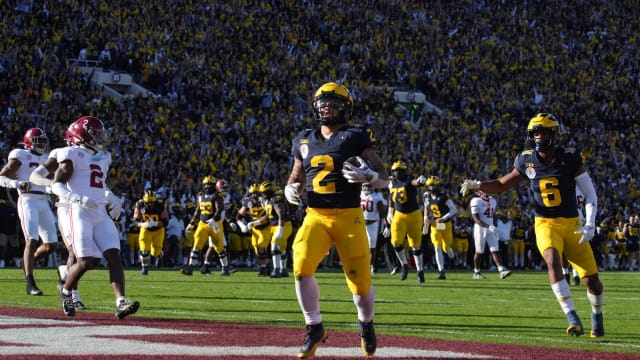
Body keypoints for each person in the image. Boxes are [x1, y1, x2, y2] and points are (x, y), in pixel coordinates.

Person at [460, 113, 604, 337]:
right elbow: (501, 184)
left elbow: (590, 193)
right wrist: (479, 184)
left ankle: (597, 314)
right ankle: (572, 317)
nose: (539, 136)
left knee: (592, 281)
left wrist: (591, 223)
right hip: (544, 222)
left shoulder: (570, 157)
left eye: (544, 132)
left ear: (554, 134)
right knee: (552, 260)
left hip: (572, 224)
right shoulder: (526, 159)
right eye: (535, 132)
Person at [284, 82, 389, 358]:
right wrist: (290, 188)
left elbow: (385, 178)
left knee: (360, 284)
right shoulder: (304, 139)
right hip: (315, 215)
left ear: (346, 109)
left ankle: (366, 325)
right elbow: (296, 175)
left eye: (334, 103)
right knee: (301, 266)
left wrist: (371, 178)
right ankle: (314, 327)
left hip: (348, 215)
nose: (328, 108)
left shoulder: (355, 136)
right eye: (324, 103)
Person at [50, 115, 139, 318]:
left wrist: (112, 197)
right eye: (96, 134)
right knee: (86, 260)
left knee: (114, 255)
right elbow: (56, 185)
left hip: (99, 211)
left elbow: (99, 185)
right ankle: (66, 291)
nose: (101, 137)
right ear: (84, 135)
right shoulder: (71, 153)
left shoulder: (104, 157)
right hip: (79, 211)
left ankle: (120, 302)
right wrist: (77, 198)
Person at [0, 127, 58, 296]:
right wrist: (16, 184)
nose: (41, 145)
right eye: (38, 141)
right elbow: (2, 177)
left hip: (44, 200)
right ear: (28, 142)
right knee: (31, 240)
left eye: (43, 142)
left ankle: (25, 261)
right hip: (27, 200)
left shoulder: (47, 158)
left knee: (51, 245)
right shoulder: (21, 155)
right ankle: (30, 282)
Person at [386, 160, 427, 282]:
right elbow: (391, 197)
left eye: (400, 170)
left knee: (415, 245)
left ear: (404, 171)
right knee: (395, 242)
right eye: (395, 171)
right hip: (399, 214)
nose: (397, 173)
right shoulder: (391, 182)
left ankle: (420, 271)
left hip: (413, 214)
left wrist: (420, 182)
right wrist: (390, 211)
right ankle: (404, 265)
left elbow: (415, 183)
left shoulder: (409, 179)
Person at [183, 176, 231, 276]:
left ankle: (225, 268)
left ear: (214, 185)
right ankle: (190, 267)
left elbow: (219, 209)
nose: (207, 186)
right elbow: (198, 210)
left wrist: (213, 219)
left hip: (215, 224)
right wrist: (192, 223)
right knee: (196, 244)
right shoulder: (201, 195)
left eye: (209, 184)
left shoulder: (217, 195)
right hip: (203, 223)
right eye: (205, 184)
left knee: (219, 247)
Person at [468, 190, 512, 279]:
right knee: (479, 252)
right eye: (484, 191)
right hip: (480, 228)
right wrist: (488, 226)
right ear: (479, 192)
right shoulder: (476, 201)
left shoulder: (493, 200)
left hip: (490, 227)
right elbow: (476, 219)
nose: (487, 193)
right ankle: (476, 272)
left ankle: (501, 270)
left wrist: (493, 224)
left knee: (495, 249)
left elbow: (492, 215)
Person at [423, 175, 459, 280]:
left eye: (433, 185)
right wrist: (425, 217)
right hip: (434, 224)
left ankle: (452, 255)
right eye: (430, 185)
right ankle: (441, 270)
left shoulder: (444, 196)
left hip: (445, 224)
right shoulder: (426, 196)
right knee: (437, 247)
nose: (431, 187)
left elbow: (454, 210)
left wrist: (444, 218)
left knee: (446, 247)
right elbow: (426, 207)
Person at [236, 183, 271, 276]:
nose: (254, 195)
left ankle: (264, 269)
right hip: (255, 230)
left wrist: (255, 222)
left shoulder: (266, 201)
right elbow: (238, 216)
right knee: (257, 249)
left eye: (256, 193)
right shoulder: (248, 202)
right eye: (252, 193)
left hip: (266, 228)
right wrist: (241, 225)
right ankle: (267, 266)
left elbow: (269, 217)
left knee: (261, 247)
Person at [260, 180, 292, 278]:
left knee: (274, 245)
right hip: (276, 226)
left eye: (264, 193)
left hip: (283, 225)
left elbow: (281, 215)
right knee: (281, 248)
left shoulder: (276, 200)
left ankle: (276, 270)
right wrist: (255, 223)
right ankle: (283, 270)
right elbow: (268, 217)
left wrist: (280, 230)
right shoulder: (269, 201)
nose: (263, 195)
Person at [133, 189, 169, 275]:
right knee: (144, 249)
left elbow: (165, 222)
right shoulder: (139, 204)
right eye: (148, 202)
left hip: (158, 230)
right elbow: (135, 221)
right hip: (146, 230)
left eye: (152, 202)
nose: (150, 204)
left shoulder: (161, 205)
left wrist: (155, 223)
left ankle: (159, 255)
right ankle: (144, 268)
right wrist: (142, 224)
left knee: (155, 251)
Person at [360, 182, 388, 275]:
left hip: (373, 224)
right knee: (360, 246)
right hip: (360, 224)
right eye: (365, 186)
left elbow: (383, 209)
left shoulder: (377, 196)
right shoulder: (359, 195)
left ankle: (371, 265)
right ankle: (362, 265)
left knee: (372, 247)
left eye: (369, 186)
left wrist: (386, 224)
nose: (367, 188)